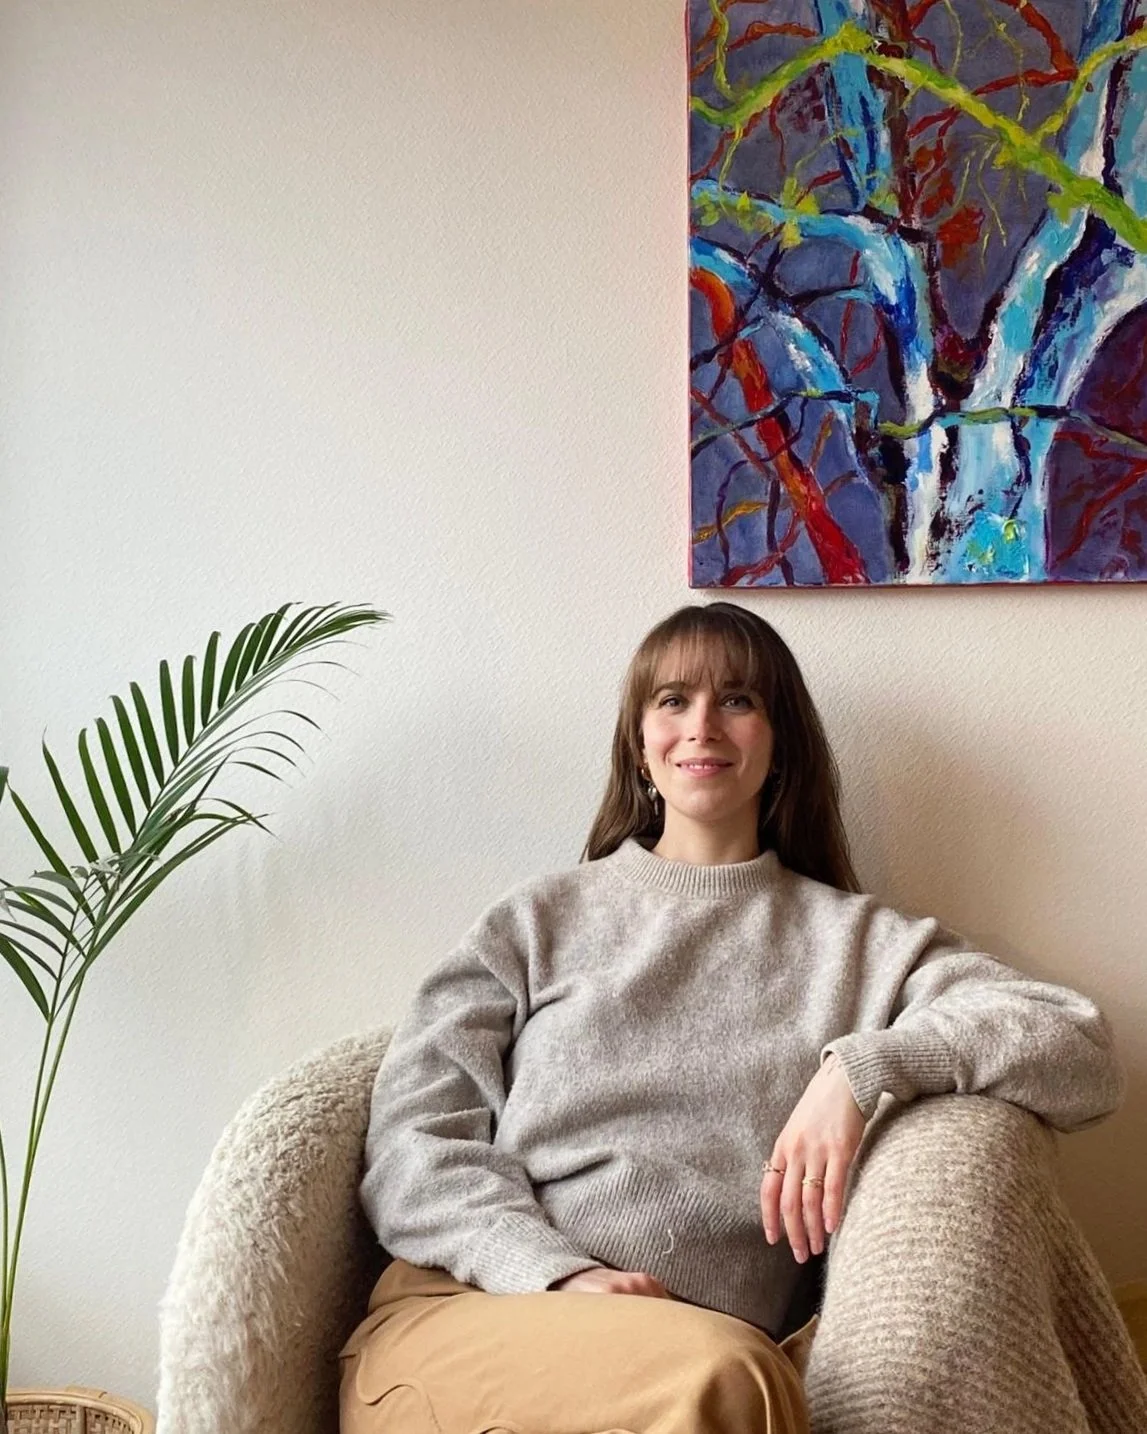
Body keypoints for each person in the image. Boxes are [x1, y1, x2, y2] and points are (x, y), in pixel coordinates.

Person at [339, 601, 1124, 1434]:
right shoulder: (535, 922)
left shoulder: (858, 944)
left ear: (778, 741)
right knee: (730, 1378)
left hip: (705, 1373)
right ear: (638, 745)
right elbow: (412, 1146)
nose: (702, 725)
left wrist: (862, 1070)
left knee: (729, 1375)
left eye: (738, 700)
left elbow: (1077, 1050)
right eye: (672, 700)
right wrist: (556, 1275)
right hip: (477, 1320)